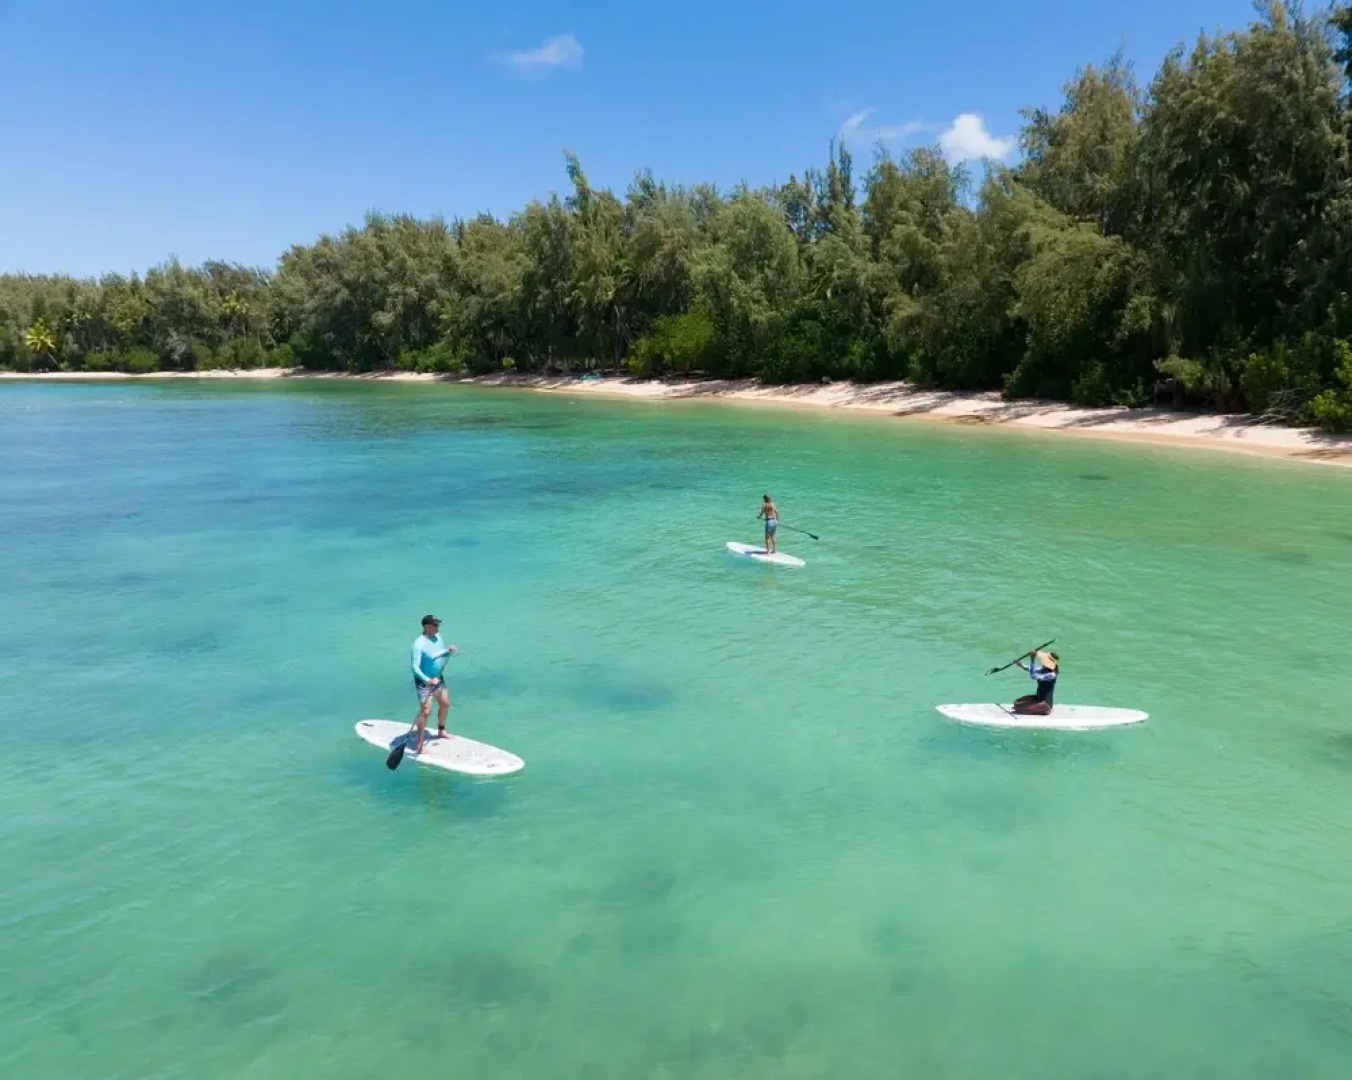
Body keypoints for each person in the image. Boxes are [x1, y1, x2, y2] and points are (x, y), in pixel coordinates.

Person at [410, 614, 457, 753]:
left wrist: (449, 652)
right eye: (435, 625)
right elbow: (415, 667)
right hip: (424, 681)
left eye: (438, 624)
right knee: (426, 711)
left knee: (445, 703)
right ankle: (419, 745)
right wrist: (427, 680)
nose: (438, 627)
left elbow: (440, 654)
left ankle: (441, 731)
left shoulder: (438, 637)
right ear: (426, 627)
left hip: (438, 677)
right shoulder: (418, 644)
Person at [1011, 649, 1058, 715]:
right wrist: (1019, 664)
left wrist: (1032, 659)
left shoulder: (1052, 675)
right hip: (1038, 698)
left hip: (1045, 704)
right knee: (1016, 703)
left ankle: (1045, 710)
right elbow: (1030, 668)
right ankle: (1034, 708)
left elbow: (1033, 676)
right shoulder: (1043, 669)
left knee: (1017, 708)